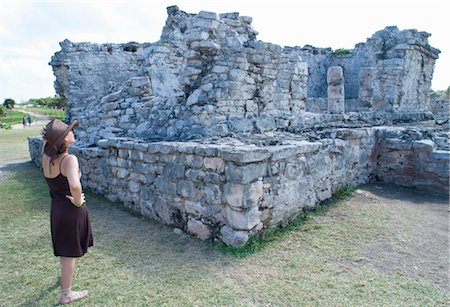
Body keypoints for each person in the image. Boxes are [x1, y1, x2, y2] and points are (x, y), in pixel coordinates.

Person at [41, 119, 93, 305]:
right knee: (69, 252)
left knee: (65, 248)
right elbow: (74, 185)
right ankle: (66, 294)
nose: (73, 133)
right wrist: (79, 202)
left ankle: (64, 278)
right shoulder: (69, 159)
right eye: (69, 131)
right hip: (70, 210)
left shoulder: (46, 157)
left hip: (57, 208)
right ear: (64, 139)